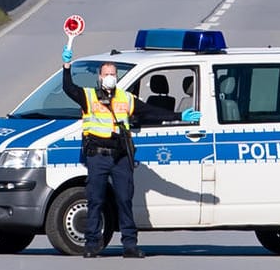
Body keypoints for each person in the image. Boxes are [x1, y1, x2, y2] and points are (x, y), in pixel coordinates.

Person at [60, 46, 199, 258]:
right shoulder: (89, 96)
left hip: (120, 156)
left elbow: (151, 112)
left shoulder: (126, 98)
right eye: (106, 74)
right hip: (97, 155)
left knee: (124, 200)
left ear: (117, 77)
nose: (109, 78)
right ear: (99, 77)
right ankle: (91, 244)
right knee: (95, 200)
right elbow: (68, 88)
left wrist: (179, 115)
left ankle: (130, 245)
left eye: (113, 75)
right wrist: (66, 66)